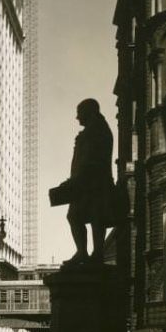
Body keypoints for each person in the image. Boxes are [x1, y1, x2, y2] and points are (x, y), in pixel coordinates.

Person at [63, 99, 115, 265]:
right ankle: (85, 253)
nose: (77, 117)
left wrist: (75, 180)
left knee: (94, 216)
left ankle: (94, 253)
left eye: (80, 112)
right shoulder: (93, 130)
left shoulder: (98, 130)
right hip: (85, 183)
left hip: (94, 183)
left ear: (90, 111)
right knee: (81, 216)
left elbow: (90, 159)